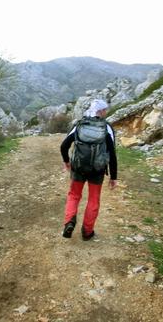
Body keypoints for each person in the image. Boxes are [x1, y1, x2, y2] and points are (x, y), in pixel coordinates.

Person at [60, 99, 117, 240]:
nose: (106, 112)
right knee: (93, 199)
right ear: (101, 111)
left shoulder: (79, 125)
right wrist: (113, 177)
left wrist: (67, 162)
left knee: (74, 195)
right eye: (105, 110)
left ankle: (69, 222)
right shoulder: (106, 128)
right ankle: (87, 232)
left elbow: (64, 146)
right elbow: (112, 154)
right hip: (97, 171)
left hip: (78, 168)